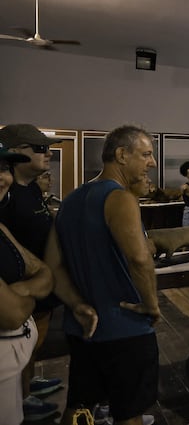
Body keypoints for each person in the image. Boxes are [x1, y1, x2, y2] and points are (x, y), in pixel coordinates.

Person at [49, 125, 160, 425]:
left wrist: (76, 305)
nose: (152, 162)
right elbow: (140, 260)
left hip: (83, 327)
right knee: (129, 414)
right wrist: (151, 305)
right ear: (122, 155)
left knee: (79, 406)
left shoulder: (69, 200)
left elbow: (53, 266)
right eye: (146, 154)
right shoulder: (121, 198)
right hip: (125, 329)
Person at [0, 124, 62, 421]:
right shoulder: (7, 195)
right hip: (18, 293)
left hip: (40, 285)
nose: (48, 154)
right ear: (17, 153)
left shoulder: (32, 190)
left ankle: (27, 387)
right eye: (40, 149)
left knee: (33, 346)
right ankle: (22, 397)